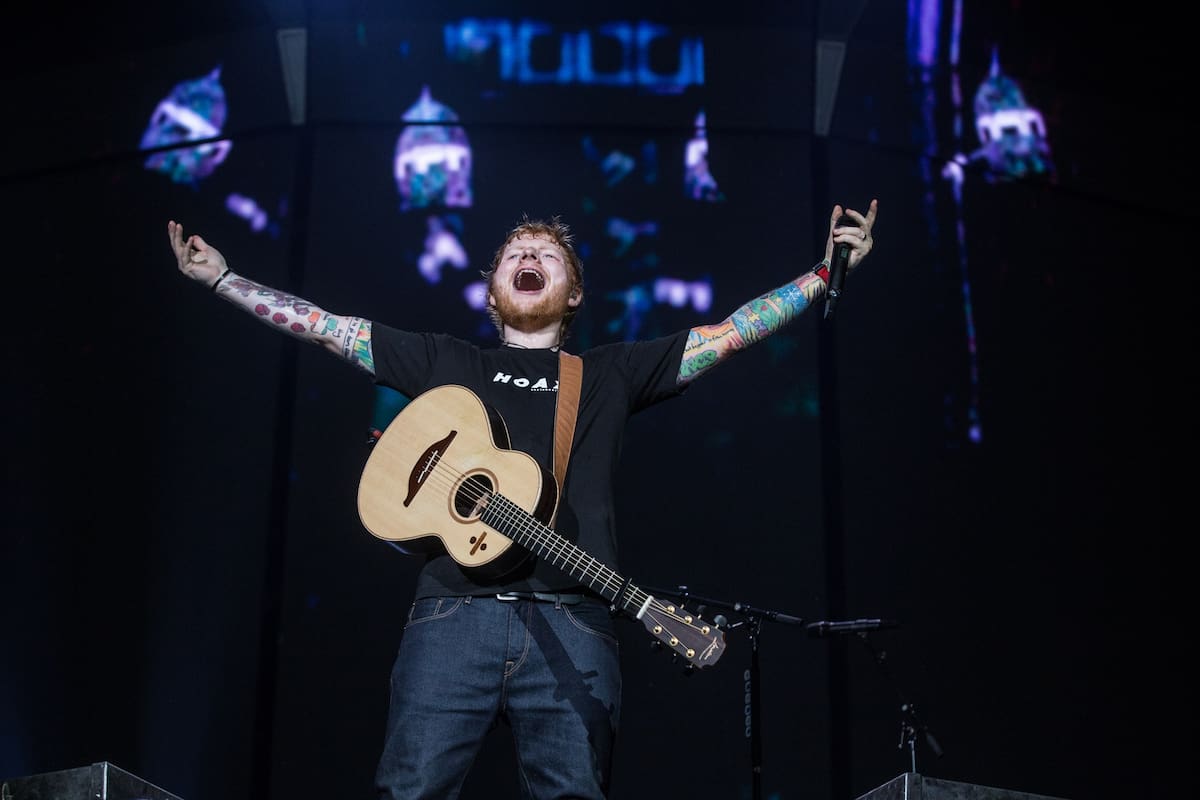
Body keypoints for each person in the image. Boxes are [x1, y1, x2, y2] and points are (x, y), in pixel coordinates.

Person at [166, 198, 878, 799]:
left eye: (548, 252)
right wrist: (223, 278)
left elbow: (731, 334)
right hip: (451, 615)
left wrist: (826, 273)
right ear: (494, 286)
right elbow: (326, 327)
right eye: (514, 249)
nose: (529, 252)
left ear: (572, 294)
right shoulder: (448, 360)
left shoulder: (609, 373)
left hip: (576, 621)